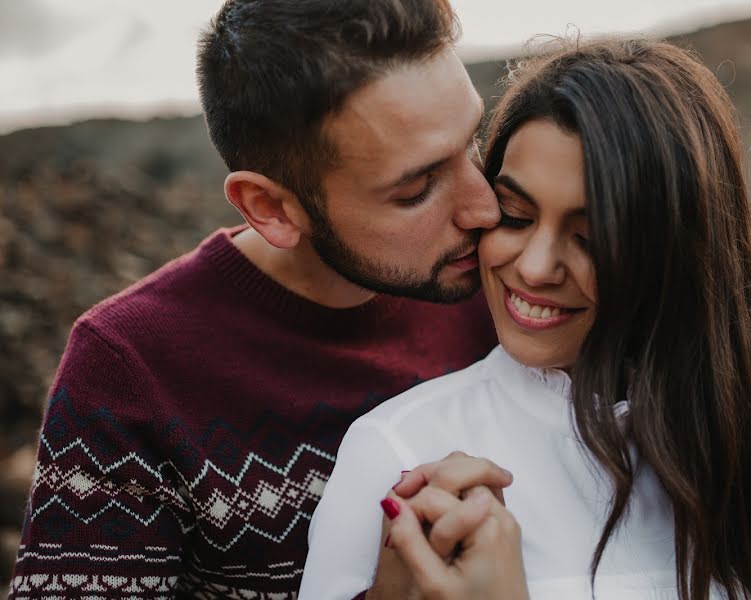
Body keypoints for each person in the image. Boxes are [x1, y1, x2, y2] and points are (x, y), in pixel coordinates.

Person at [8, 1, 514, 598]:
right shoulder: (129, 368)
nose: (486, 209)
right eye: (417, 188)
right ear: (271, 208)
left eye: (474, 139)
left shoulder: (511, 284)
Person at [300, 38, 751, 600]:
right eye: (515, 216)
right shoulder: (398, 457)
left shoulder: (732, 450)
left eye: (590, 239)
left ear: (678, 255)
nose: (537, 266)